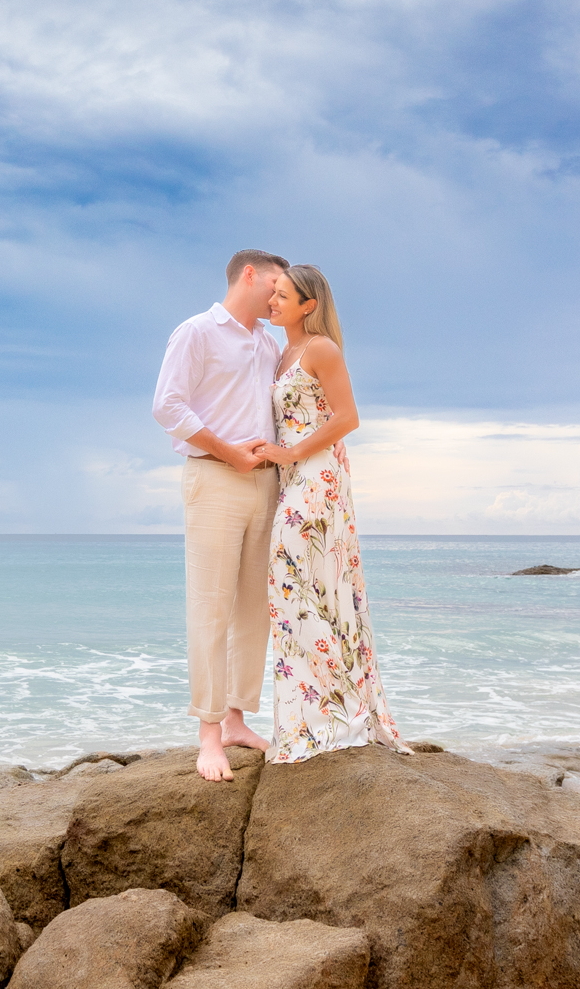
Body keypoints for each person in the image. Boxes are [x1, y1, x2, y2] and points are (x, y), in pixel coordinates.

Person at [152, 248, 290, 782]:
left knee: (254, 606)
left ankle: (235, 719)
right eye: (276, 284)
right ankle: (208, 734)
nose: (279, 296)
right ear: (250, 275)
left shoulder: (268, 341)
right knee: (210, 607)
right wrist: (229, 451)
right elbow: (168, 406)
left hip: (266, 483)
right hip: (213, 477)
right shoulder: (197, 332)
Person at [262, 263, 406, 764]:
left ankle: (334, 718)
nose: (273, 301)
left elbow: (348, 418)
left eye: (283, 296)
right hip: (295, 478)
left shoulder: (321, 349)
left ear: (310, 305)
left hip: (318, 478)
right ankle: (317, 714)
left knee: (299, 587)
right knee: (300, 592)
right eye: (273, 294)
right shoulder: (282, 353)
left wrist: (289, 453)